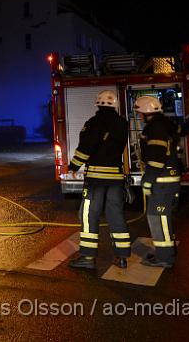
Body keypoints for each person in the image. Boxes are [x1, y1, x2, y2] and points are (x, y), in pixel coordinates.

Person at [68, 90, 132, 270]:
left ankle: (87, 258)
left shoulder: (94, 123)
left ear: (98, 104)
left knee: (88, 216)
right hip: (115, 178)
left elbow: (85, 148)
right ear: (115, 105)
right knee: (116, 215)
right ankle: (121, 257)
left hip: (96, 179)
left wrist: (73, 166)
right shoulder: (122, 123)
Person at [134, 95, 189, 268]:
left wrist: (147, 181)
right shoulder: (166, 124)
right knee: (158, 217)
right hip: (167, 180)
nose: (139, 117)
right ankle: (165, 251)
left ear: (146, 113)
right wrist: (188, 122)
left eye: (139, 113)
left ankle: (165, 257)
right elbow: (181, 131)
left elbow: (156, 160)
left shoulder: (156, 128)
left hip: (161, 180)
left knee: (159, 218)